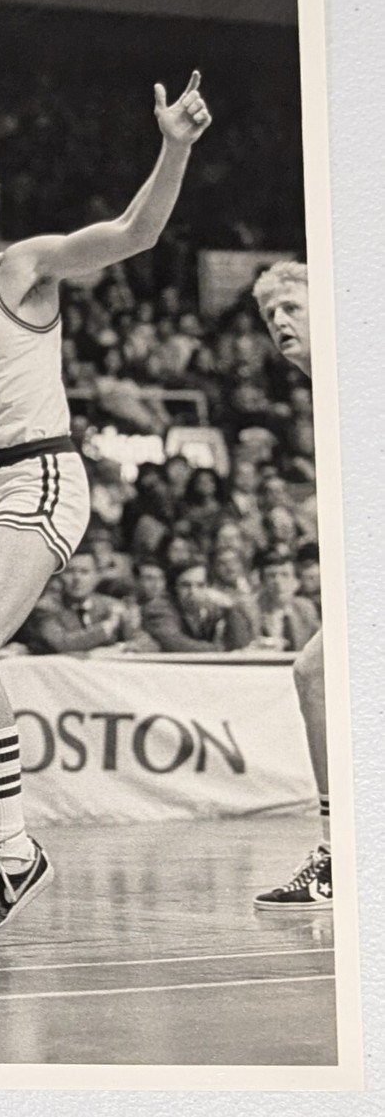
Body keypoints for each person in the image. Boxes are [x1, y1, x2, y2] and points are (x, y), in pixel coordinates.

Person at [0, 72, 211, 940]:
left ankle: (14, 849)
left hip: (40, 475)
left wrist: (172, 145)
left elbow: (135, 234)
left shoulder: (21, 267)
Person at [250, 262, 332, 910]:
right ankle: (341, 850)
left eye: (290, 307)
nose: (278, 320)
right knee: (316, 675)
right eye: (268, 313)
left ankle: (342, 853)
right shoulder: (317, 391)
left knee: (318, 676)